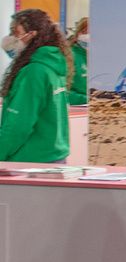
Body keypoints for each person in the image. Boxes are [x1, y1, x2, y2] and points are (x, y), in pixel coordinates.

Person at [0, 8, 73, 163]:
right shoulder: (53, 66)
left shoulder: (34, 71)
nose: (11, 38)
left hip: (30, 161)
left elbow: (18, 125)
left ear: (32, 35)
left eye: (15, 32)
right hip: (53, 156)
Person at [66, 15, 89, 104]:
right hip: (76, 111)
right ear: (78, 34)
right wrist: (86, 100)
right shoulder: (69, 56)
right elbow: (63, 91)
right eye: (85, 32)